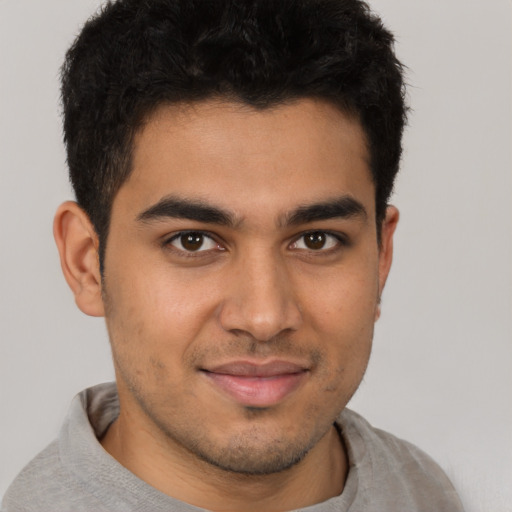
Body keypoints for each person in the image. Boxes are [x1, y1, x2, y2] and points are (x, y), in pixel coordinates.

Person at [2, 0, 465, 511]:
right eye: (193, 241)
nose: (264, 317)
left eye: (317, 240)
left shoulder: (428, 493)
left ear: (381, 259)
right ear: (87, 263)